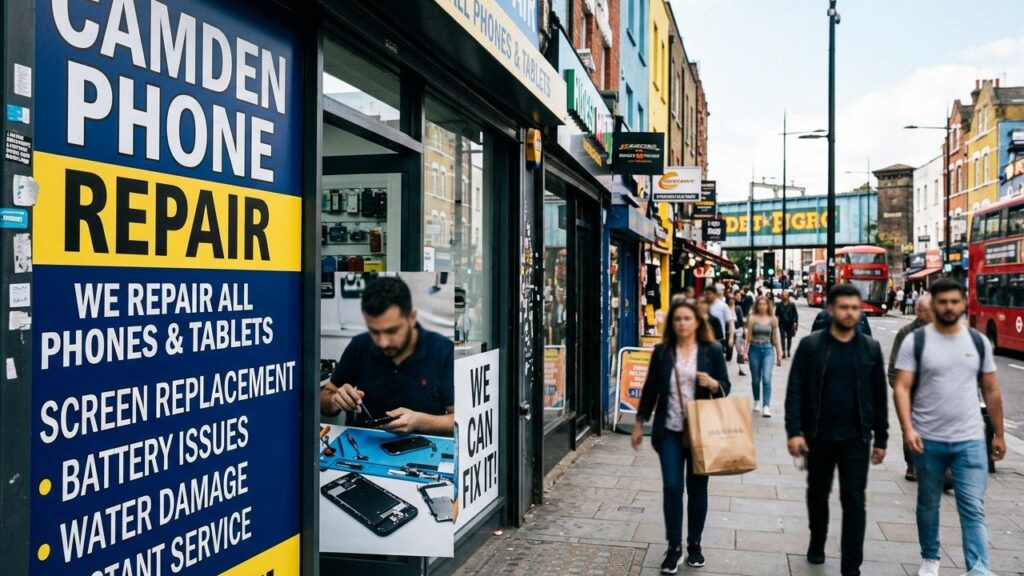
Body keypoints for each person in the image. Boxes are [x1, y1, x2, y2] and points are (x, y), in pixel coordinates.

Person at [892, 278, 1006, 576]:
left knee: (972, 506)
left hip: (969, 441)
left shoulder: (978, 342)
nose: (948, 307)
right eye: (942, 302)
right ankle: (931, 557)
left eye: (954, 301)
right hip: (928, 439)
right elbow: (901, 387)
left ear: (964, 304)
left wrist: (999, 433)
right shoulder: (914, 341)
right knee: (928, 504)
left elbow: (991, 389)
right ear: (934, 305)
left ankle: (979, 569)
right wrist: (908, 429)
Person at [785, 284, 889, 576]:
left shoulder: (870, 348)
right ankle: (817, 539)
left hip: (856, 439)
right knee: (818, 495)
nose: (850, 313)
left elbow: (879, 395)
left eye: (855, 308)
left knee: (854, 501)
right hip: (817, 436)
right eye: (844, 307)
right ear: (830, 310)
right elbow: (795, 389)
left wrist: (881, 437)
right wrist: (794, 431)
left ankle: (851, 567)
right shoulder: (812, 346)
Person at [632, 299, 732, 573]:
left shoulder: (711, 351)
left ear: (697, 322)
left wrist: (713, 384)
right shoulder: (663, 352)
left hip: (702, 432)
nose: (682, 323)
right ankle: (673, 546)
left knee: (698, 488)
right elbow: (651, 388)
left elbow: (726, 386)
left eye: (687, 319)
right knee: (673, 487)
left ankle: (695, 544)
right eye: (677, 319)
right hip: (670, 431)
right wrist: (640, 423)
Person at [320, 276, 455, 435]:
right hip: (365, 442)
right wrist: (335, 401)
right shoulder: (360, 344)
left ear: (411, 318)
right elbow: (324, 398)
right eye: (375, 332)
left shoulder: (443, 350)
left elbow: (458, 419)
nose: (383, 343)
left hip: (425, 446)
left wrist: (419, 421)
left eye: (392, 331)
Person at [887, 293, 933, 481]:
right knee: (910, 428)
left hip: (935, 396)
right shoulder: (906, 333)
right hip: (911, 393)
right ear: (917, 310)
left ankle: (933, 465)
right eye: (923, 310)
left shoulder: (943, 333)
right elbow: (893, 368)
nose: (927, 314)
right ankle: (912, 465)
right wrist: (900, 390)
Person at [743, 295, 782, 417]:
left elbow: (776, 337)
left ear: (768, 305)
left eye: (764, 304)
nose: (762, 306)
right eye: (760, 304)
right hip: (754, 349)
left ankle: (766, 405)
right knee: (755, 379)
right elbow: (748, 335)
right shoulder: (752, 318)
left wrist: (779, 353)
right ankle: (756, 401)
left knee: (766, 378)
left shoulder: (773, 319)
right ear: (756, 305)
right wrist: (745, 352)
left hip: (768, 350)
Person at [706, 287, 734, 352]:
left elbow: (731, 322)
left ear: (715, 294)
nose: (707, 296)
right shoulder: (704, 304)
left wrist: (731, 338)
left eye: (709, 294)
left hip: (719, 338)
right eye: (706, 294)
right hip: (705, 337)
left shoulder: (723, 306)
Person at [727, 294, 747, 376]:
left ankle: (741, 368)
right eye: (730, 298)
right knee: (729, 351)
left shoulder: (738, 308)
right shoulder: (725, 308)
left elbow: (741, 320)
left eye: (733, 299)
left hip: (738, 330)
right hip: (727, 331)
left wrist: (744, 330)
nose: (732, 300)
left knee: (740, 351)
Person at [775, 291, 799, 359]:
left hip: (790, 323)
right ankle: (783, 351)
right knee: (782, 338)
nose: (783, 296)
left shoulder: (792, 305)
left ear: (788, 296)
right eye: (782, 295)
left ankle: (788, 350)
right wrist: (775, 323)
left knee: (789, 337)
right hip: (782, 323)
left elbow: (796, 315)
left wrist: (796, 323)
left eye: (785, 295)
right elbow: (776, 315)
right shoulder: (779, 305)